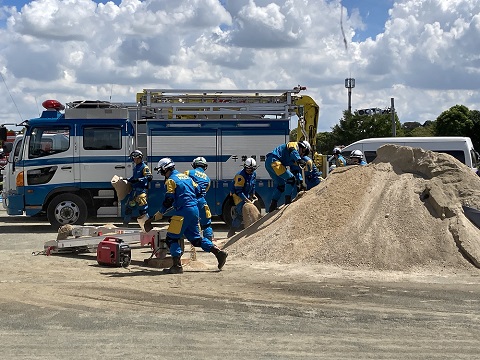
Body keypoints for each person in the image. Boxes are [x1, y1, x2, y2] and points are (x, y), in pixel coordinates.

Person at [145, 158, 227, 274]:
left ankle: (177, 266)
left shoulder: (171, 180)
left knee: (171, 238)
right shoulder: (187, 178)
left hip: (183, 212)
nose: (161, 174)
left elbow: (169, 199)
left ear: (164, 169)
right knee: (196, 239)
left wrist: (160, 213)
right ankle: (218, 253)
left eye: (161, 171)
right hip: (194, 210)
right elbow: (199, 191)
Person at [265, 140, 311, 212]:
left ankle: (273, 205)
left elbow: (295, 171)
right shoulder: (294, 145)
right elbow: (292, 150)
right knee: (291, 179)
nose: (302, 155)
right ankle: (287, 201)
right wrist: (299, 160)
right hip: (274, 160)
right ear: (303, 148)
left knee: (281, 185)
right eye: (304, 153)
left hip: (269, 163)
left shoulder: (293, 158)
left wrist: (301, 181)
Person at [227, 157, 258, 237]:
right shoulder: (240, 176)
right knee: (240, 214)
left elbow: (253, 185)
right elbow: (238, 191)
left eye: (251, 169)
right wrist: (246, 199)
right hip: (237, 195)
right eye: (247, 169)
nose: (249, 171)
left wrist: (253, 194)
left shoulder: (253, 174)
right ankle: (231, 232)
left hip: (246, 193)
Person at [185, 157, 214, 241]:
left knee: (181, 222)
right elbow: (205, 191)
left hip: (189, 201)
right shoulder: (207, 179)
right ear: (205, 166)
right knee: (206, 224)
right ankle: (208, 243)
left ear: (194, 165)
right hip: (201, 202)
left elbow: (181, 184)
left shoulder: (188, 172)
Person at [123, 150, 152, 225]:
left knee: (143, 211)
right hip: (133, 193)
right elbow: (134, 177)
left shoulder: (144, 167)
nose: (135, 160)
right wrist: (128, 180)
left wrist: (139, 179)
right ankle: (125, 225)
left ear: (140, 158)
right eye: (134, 159)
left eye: (137, 158)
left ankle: (147, 226)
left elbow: (149, 177)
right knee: (128, 209)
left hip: (141, 192)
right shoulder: (136, 167)